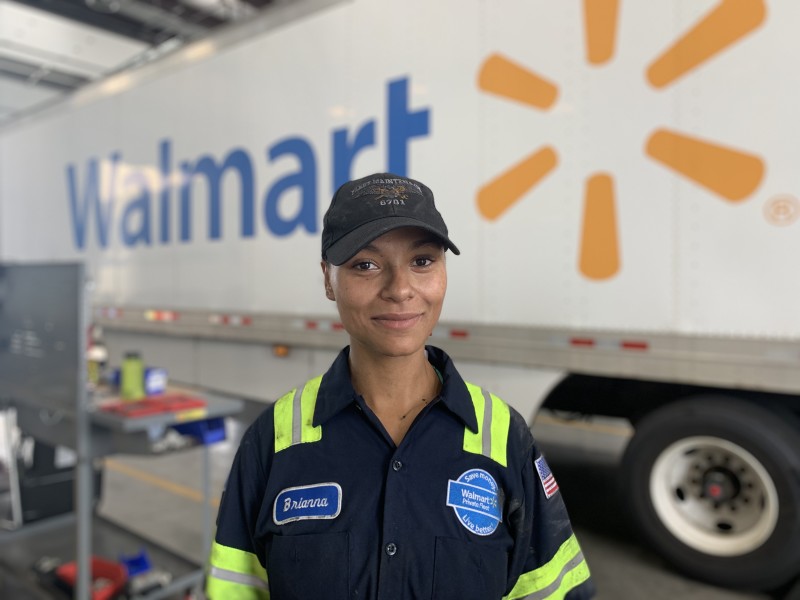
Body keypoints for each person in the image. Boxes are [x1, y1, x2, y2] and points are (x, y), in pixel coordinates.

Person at [205, 173, 594, 599]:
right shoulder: (273, 441)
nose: (401, 289)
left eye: (422, 261)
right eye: (365, 265)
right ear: (328, 280)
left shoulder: (504, 438)